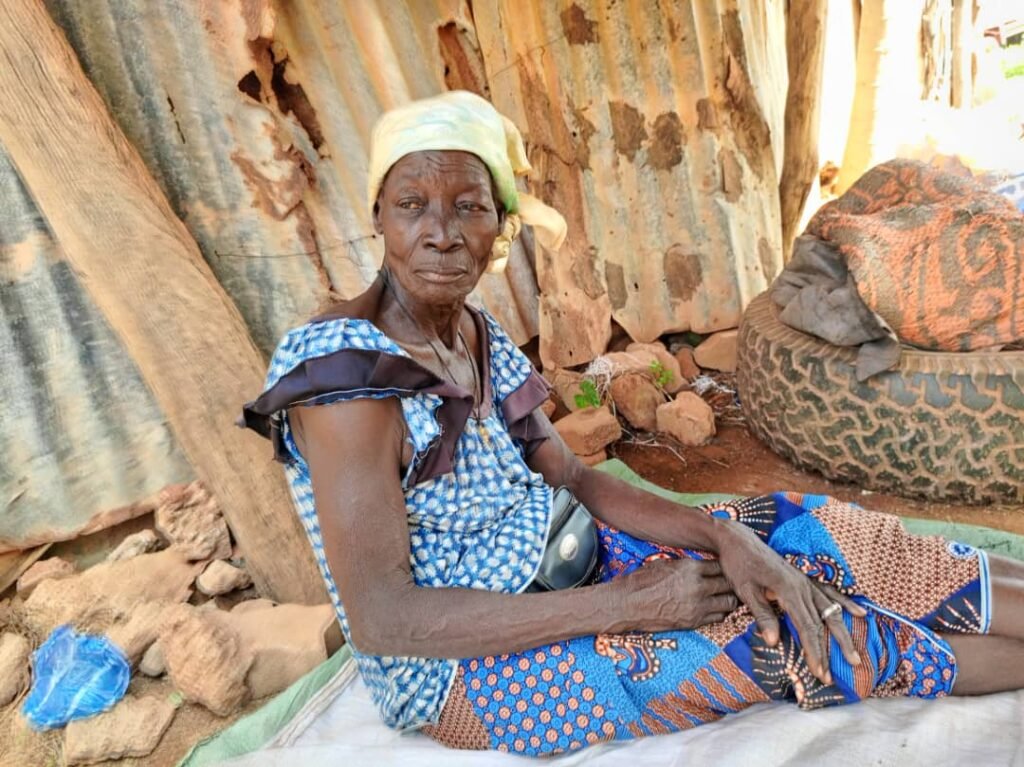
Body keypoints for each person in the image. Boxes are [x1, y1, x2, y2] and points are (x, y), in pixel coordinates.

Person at [242, 91, 1024, 757]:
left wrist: (730, 539)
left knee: (809, 533)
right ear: (378, 213)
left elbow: (579, 478)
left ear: (500, 227)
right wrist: (632, 604)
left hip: (570, 561)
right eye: (412, 204)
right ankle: (908, 650)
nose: (440, 231)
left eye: (468, 207)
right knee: (779, 641)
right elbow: (384, 619)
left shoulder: (472, 333)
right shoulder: (345, 374)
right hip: (459, 669)